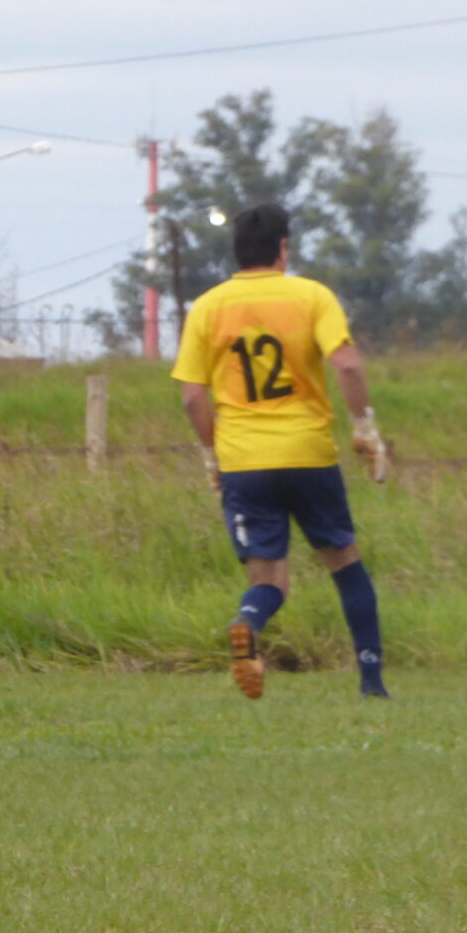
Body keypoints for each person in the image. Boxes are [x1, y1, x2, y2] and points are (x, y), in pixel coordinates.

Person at [172, 202, 392, 701]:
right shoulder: (311, 296)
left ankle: (248, 622)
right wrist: (365, 428)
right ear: (283, 248)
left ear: (236, 252)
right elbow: (348, 365)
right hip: (308, 453)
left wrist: (211, 456)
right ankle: (372, 681)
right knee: (345, 564)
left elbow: (191, 396)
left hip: (244, 461)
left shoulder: (207, 307)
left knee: (270, 579)